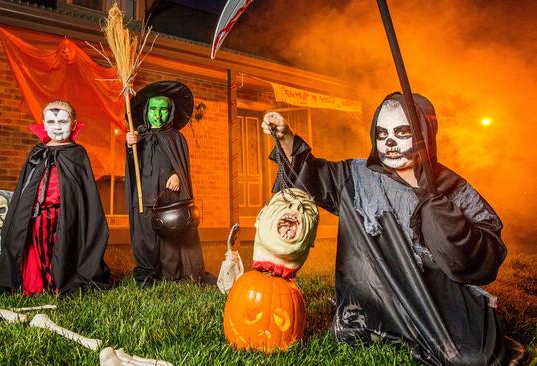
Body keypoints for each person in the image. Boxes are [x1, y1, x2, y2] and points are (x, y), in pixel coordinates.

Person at [262, 92, 525, 365]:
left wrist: (444, 220)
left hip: (430, 298)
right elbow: (310, 177)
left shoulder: (450, 186)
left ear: (424, 134)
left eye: (402, 132)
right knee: (353, 331)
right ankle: (383, 326)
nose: (389, 142)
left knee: (472, 358)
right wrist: (286, 138)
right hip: (373, 303)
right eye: (381, 133)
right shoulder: (356, 177)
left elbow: (486, 249)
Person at [0, 100, 111, 295]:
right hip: (36, 215)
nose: (57, 127)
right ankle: (35, 285)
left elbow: (85, 192)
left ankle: (58, 283)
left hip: (64, 216)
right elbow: (25, 187)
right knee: (34, 247)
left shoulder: (77, 154)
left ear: (74, 124)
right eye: (51, 122)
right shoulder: (37, 153)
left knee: (60, 249)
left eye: (63, 122)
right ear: (43, 124)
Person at [125, 81, 212, 288]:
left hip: (169, 198)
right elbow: (131, 166)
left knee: (170, 236)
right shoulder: (138, 136)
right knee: (146, 236)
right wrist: (130, 146)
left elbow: (182, 167)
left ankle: (170, 275)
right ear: (147, 111)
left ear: (170, 112)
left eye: (163, 109)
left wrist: (177, 176)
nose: (158, 114)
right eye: (153, 109)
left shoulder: (176, 138)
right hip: (144, 195)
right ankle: (147, 275)